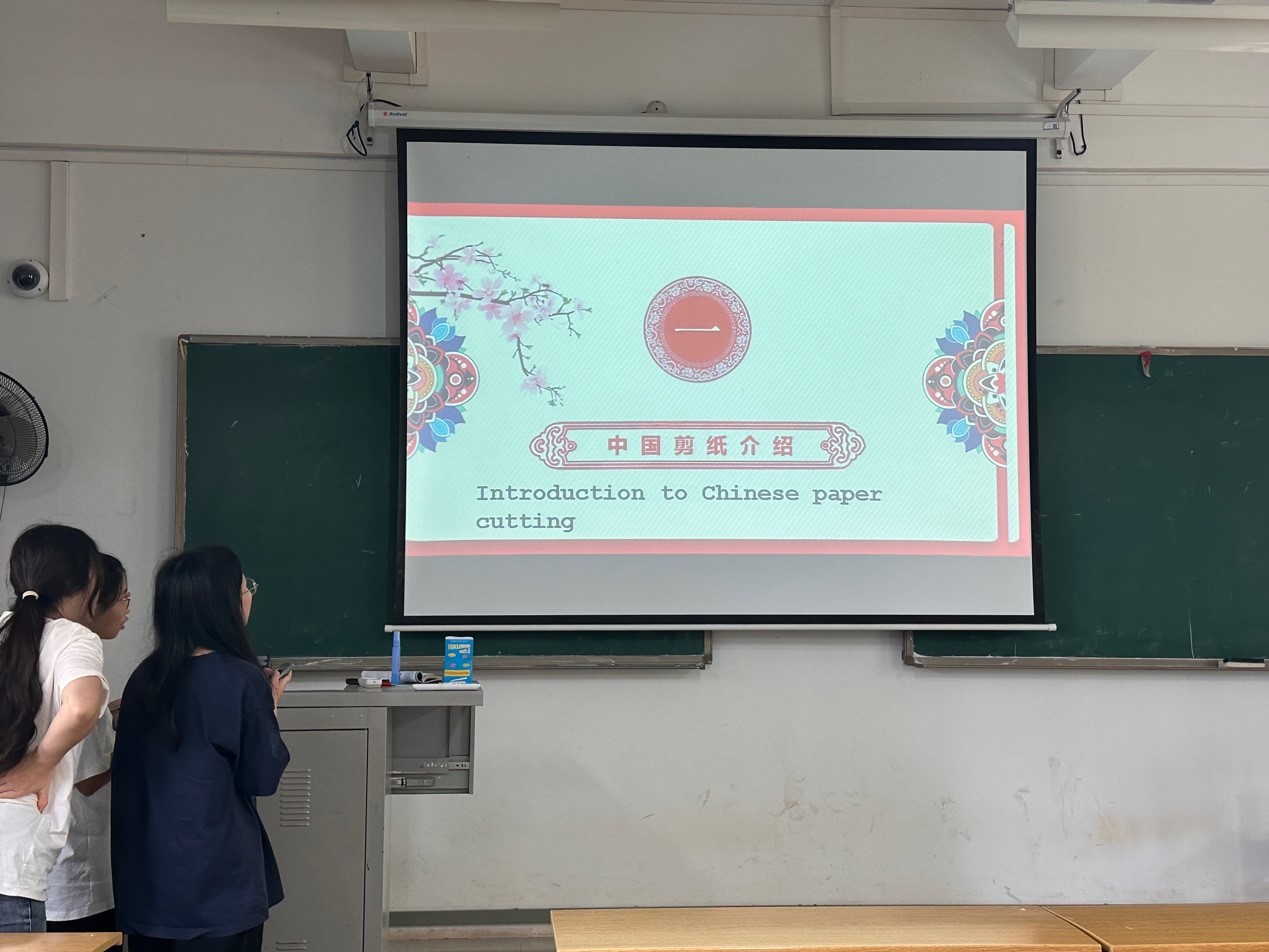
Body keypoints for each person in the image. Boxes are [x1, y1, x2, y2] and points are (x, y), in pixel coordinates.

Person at [112, 546, 291, 952]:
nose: (250, 596)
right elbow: (262, 778)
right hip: (218, 889)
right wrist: (270, 710)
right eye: (246, 588)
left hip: (149, 888)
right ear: (225, 604)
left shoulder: (144, 677)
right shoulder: (242, 679)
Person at [0, 524, 109, 933]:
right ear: (88, 581)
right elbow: (82, 707)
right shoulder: (71, 637)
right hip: (12, 865)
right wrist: (41, 762)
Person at [46, 554, 130, 938]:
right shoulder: (84, 674)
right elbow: (88, 780)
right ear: (93, 599)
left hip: (54, 868)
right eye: (123, 597)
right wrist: (134, 736)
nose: (127, 609)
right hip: (76, 873)